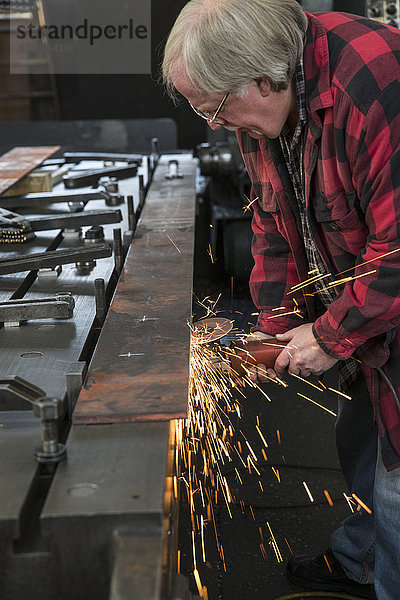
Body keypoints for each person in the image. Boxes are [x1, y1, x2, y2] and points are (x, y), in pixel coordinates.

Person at [162, 1, 400, 599]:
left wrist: (328, 336)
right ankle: (364, 562)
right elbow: (272, 219)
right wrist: (274, 329)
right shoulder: (264, 111)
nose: (213, 124)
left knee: (398, 483)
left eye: (213, 107)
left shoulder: (379, 85)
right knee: (361, 437)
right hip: (376, 301)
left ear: (264, 78)